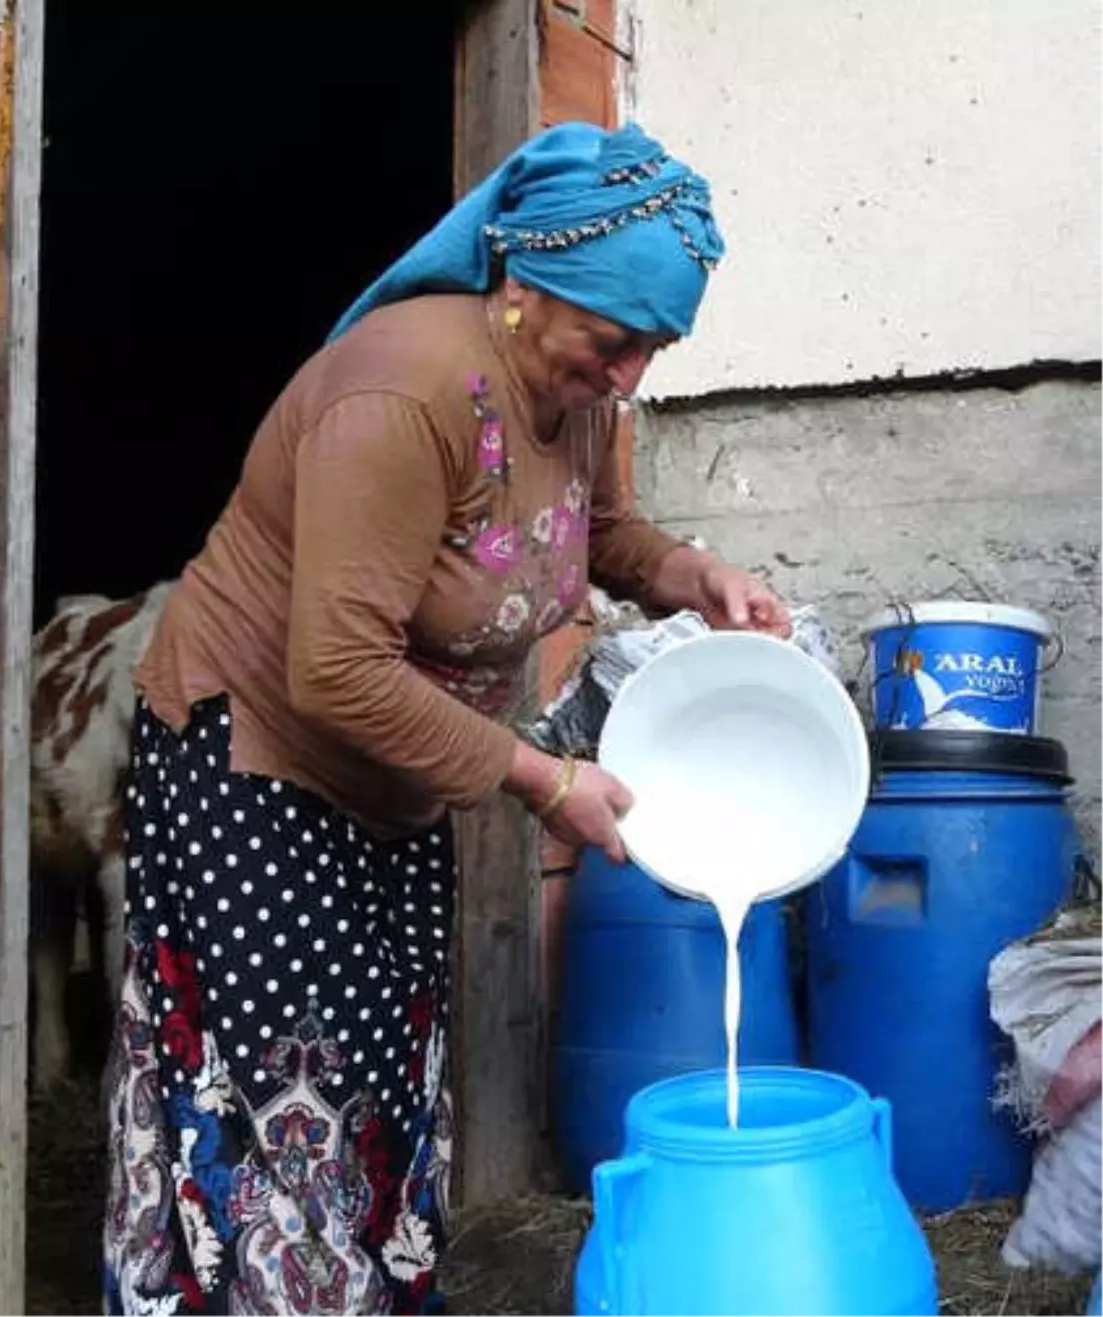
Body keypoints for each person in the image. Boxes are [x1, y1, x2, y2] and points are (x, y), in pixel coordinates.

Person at [102, 119, 791, 1316]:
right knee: (274, 1098)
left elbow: (597, 530)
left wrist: (698, 577)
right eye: (615, 342)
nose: (630, 376)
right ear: (524, 284)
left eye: (656, 350)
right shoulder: (402, 391)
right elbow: (334, 672)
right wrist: (539, 776)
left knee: (378, 1078)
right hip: (255, 769)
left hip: (394, 776)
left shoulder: (576, 393)